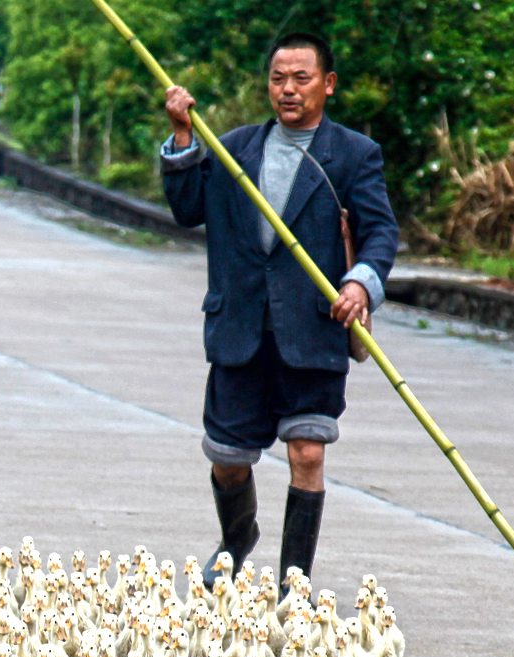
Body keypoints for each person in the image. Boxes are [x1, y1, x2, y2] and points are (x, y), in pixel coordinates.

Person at [160, 32, 398, 594]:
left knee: (308, 451)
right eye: (277, 79)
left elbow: (381, 232)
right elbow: (187, 209)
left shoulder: (355, 155)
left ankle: (293, 584)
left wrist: (361, 284)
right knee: (228, 459)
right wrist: (182, 135)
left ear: (328, 84)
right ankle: (237, 537)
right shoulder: (232, 148)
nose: (287, 90)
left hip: (312, 330)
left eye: (301, 78)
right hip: (240, 327)